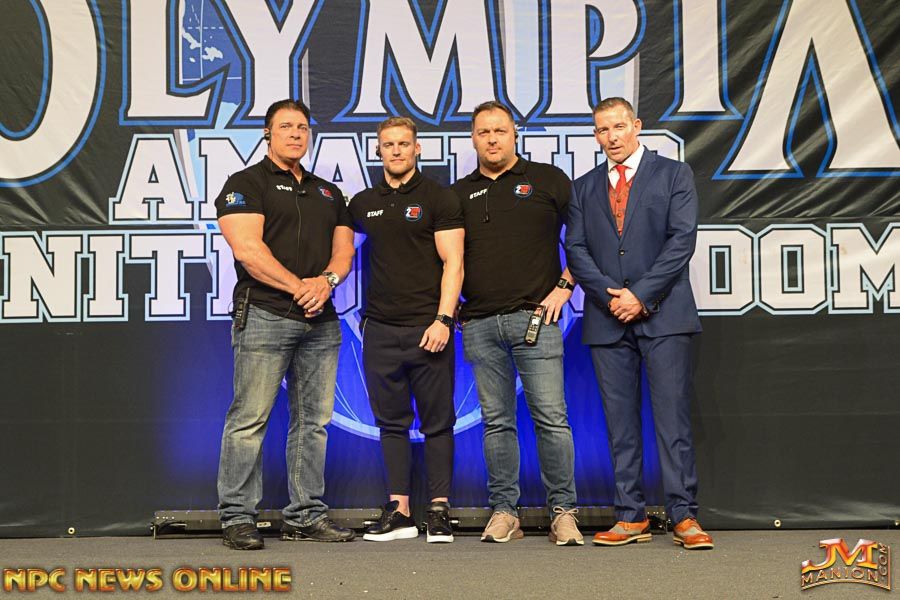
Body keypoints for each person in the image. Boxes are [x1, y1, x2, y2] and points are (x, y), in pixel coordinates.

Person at [566, 97, 713, 550]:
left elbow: (681, 241)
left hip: (665, 316)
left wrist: (641, 296)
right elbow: (576, 250)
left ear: (637, 126)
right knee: (620, 426)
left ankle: (684, 516)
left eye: (618, 127)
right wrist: (612, 297)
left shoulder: (673, 174)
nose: (611, 137)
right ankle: (630, 516)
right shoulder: (583, 187)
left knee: (672, 421)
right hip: (607, 318)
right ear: (595, 135)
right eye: (602, 130)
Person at [215, 99, 356, 550]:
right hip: (265, 314)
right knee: (249, 419)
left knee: (313, 423)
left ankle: (305, 515)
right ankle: (238, 516)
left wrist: (326, 282)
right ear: (267, 133)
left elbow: (344, 251)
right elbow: (247, 251)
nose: (295, 134)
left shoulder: (329, 193)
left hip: (322, 321)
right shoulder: (245, 184)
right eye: (286, 127)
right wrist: (301, 288)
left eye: (302, 127)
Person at [450, 101, 582, 546]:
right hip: (479, 324)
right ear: (473, 138)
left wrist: (565, 286)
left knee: (552, 420)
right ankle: (505, 511)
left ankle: (563, 512)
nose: (492, 139)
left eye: (500, 131)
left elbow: (587, 237)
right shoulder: (457, 193)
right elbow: (445, 259)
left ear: (514, 134)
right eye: (483, 132)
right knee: (497, 424)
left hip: (536, 321)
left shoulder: (548, 180)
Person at [348, 117, 464, 543]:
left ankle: (439, 511)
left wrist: (444, 319)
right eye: (388, 145)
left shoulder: (439, 197)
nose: (396, 151)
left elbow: (454, 262)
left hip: (428, 327)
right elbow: (339, 251)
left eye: (403, 144)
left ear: (417, 149)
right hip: (380, 330)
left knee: (438, 422)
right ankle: (400, 513)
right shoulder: (362, 203)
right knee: (391, 423)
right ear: (378, 150)